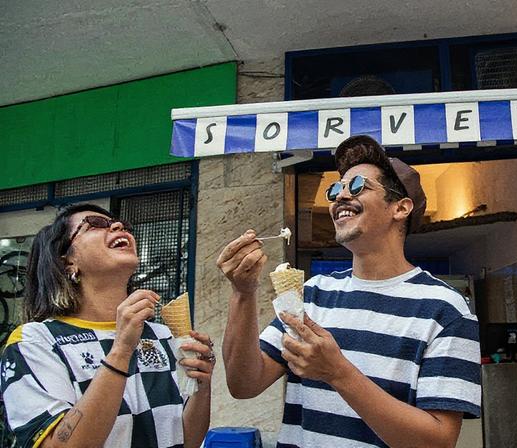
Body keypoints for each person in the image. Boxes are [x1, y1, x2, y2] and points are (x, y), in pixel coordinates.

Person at [219, 135, 481, 447]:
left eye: (357, 186)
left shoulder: (446, 309)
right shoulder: (313, 294)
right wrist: (243, 293)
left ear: (400, 207)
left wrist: (338, 373)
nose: (340, 197)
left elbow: (438, 441)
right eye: (335, 189)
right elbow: (243, 384)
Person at [0, 204, 214, 448]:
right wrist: (121, 350)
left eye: (121, 224)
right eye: (95, 224)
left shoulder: (163, 336)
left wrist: (202, 385)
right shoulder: (35, 341)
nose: (118, 226)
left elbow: (186, 441)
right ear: (68, 262)